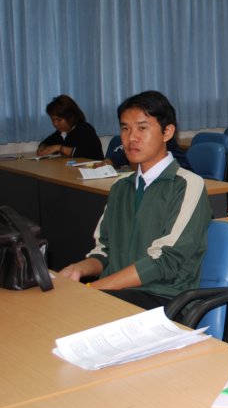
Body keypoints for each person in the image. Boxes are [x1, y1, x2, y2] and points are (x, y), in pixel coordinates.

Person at [59, 91, 212, 308]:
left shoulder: (187, 184)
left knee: (75, 311)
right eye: (125, 128)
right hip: (117, 293)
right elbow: (105, 250)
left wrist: (93, 289)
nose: (131, 138)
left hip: (163, 298)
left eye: (142, 128)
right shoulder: (121, 187)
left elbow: (165, 261)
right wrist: (78, 269)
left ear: (167, 132)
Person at [37, 95, 103, 160]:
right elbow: (46, 142)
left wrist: (59, 148)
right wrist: (42, 148)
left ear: (71, 117)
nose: (55, 124)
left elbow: (85, 153)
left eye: (59, 120)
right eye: (52, 120)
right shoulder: (62, 132)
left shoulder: (85, 129)